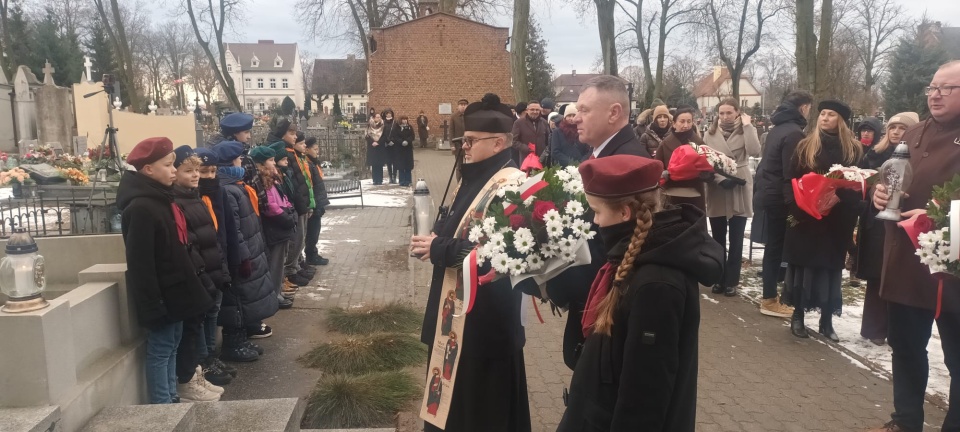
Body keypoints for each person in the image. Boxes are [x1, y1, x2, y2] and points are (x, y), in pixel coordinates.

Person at [558, 154, 723, 431]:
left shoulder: (655, 283)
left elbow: (646, 394)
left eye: (597, 211)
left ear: (624, 213)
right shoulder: (634, 254)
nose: (595, 221)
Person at [409, 93, 532, 432]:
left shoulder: (512, 184)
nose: (464, 146)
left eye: (471, 140)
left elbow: (497, 254)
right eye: (464, 139)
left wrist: (440, 249)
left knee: (482, 409)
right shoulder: (475, 174)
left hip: (486, 322)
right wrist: (433, 238)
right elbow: (459, 226)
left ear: (498, 143)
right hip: (459, 314)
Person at [869, 61, 960, 432]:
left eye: (947, 88)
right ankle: (905, 421)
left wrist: (941, 214)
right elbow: (893, 175)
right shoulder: (914, 133)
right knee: (906, 347)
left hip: (951, 269)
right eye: (932, 87)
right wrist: (879, 192)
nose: (935, 94)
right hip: (907, 260)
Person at [118, 137, 213, 404]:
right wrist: (153, 304)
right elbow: (141, 262)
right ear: (148, 169)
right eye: (168, 165)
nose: (174, 170)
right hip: (163, 295)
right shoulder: (141, 207)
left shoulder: (160, 198)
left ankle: (172, 397)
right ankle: (163, 407)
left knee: (172, 346)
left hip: (176, 291)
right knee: (161, 350)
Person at [780, 99, 863, 342]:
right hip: (806, 215)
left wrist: (844, 195)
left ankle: (826, 320)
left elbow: (860, 181)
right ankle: (798, 316)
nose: (825, 118)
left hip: (837, 217)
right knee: (803, 266)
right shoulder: (805, 146)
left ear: (842, 121)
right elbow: (789, 179)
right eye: (822, 114)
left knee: (830, 268)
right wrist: (795, 206)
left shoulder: (854, 150)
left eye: (831, 115)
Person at [855, 112, 919, 346]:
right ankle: (873, 328)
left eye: (902, 128)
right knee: (876, 276)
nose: (896, 132)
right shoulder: (874, 155)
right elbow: (861, 186)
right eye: (892, 127)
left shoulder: (915, 158)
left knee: (896, 275)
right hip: (875, 223)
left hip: (903, 222)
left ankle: (893, 329)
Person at [170, 146, 226, 401]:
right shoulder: (178, 201)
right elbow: (190, 242)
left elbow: (210, 236)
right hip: (198, 274)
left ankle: (196, 373)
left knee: (199, 327)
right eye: (189, 171)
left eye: (197, 171)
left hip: (209, 272)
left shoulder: (194, 196)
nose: (196, 176)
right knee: (190, 333)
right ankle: (187, 382)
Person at [752, 90, 814, 318]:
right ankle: (769, 299)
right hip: (781, 199)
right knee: (776, 248)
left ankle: (771, 295)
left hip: (769, 194)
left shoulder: (778, 129)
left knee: (774, 247)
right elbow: (791, 172)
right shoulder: (794, 133)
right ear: (803, 108)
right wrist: (793, 205)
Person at [213, 141, 278, 355]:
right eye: (239, 159)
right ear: (230, 162)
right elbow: (234, 229)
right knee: (238, 300)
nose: (242, 162)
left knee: (247, 298)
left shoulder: (237, 186)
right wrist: (243, 256)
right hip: (242, 255)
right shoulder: (228, 190)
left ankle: (242, 337)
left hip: (251, 249)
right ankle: (233, 343)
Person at [702, 99, 762, 297]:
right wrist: (719, 179)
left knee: (736, 237)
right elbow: (706, 162)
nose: (725, 117)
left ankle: (732, 280)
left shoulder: (745, 130)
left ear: (738, 113)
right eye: (722, 113)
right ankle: (719, 277)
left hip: (740, 183)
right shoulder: (709, 134)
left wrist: (748, 125)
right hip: (718, 185)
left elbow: (754, 151)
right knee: (718, 237)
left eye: (729, 112)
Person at [193, 148, 243, 380]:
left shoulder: (219, 192)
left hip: (219, 262)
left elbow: (227, 229)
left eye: (213, 171)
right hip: (204, 267)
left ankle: (212, 356)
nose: (209, 177)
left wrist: (233, 260)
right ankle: (205, 360)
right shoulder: (192, 197)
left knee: (214, 313)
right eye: (204, 172)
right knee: (205, 315)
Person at [250, 146, 296, 310]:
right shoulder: (263, 179)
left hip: (282, 223)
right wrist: (286, 217)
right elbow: (270, 206)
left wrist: (290, 210)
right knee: (275, 265)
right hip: (275, 226)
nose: (273, 163)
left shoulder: (273, 176)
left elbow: (282, 198)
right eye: (270, 160)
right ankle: (273, 295)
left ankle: (277, 292)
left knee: (280, 262)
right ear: (261, 163)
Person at [573, 75, 651, 158]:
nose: (575, 119)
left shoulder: (628, 164)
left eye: (584, 110)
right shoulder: (608, 154)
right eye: (578, 110)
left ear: (614, 113)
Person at [655, 107, 707, 211]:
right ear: (674, 123)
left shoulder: (699, 143)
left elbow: (707, 166)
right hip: (670, 193)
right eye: (682, 121)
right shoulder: (665, 143)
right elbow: (657, 167)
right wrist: (665, 174)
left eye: (689, 121)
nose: (686, 125)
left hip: (694, 193)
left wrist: (706, 174)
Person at [282, 132, 317, 288]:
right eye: (302, 143)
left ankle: (296, 265)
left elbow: (306, 182)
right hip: (297, 203)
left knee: (302, 237)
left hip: (304, 201)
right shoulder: (291, 157)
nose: (303, 145)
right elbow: (297, 183)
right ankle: (291, 270)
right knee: (296, 240)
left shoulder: (300, 158)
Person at [304, 138, 332, 266]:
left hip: (317, 201)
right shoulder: (308, 164)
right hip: (313, 202)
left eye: (317, 149)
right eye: (315, 149)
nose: (317, 152)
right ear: (307, 149)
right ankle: (311, 255)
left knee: (315, 230)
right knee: (312, 231)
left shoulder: (313, 162)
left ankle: (313, 253)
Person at [511, 100, 550, 165]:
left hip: (541, 159)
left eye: (537, 110)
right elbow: (513, 141)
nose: (535, 112)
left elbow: (548, 140)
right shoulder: (519, 123)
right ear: (527, 110)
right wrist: (526, 148)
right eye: (532, 109)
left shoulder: (544, 122)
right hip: (526, 160)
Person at [367, 113, 387, 185]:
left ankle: (380, 179)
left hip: (380, 147)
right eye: (377, 117)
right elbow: (367, 136)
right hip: (372, 147)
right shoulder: (369, 125)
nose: (378, 118)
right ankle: (375, 179)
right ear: (374, 118)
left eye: (379, 117)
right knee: (374, 165)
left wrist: (378, 142)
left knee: (380, 164)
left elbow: (384, 136)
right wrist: (372, 142)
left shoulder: (383, 126)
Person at [451, 99, 469, 181]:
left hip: (468, 144)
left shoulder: (469, 116)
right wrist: (452, 144)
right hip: (457, 145)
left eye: (465, 104)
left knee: (469, 164)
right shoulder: (454, 117)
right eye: (461, 104)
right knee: (459, 166)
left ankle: (467, 181)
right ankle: (459, 183)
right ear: (458, 106)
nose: (463, 106)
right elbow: (451, 131)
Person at [396, 116, 416, 186]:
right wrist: (401, 142)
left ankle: (408, 180)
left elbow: (412, 136)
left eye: (406, 119)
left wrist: (407, 141)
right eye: (403, 119)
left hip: (408, 149)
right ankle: (401, 181)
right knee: (401, 166)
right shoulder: (398, 127)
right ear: (401, 120)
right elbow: (396, 137)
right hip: (400, 149)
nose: (405, 121)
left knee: (408, 166)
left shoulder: (410, 127)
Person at [382, 109, 400, 184]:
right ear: (385, 115)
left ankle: (394, 176)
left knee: (395, 161)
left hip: (394, 144)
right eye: (387, 113)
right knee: (389, 162)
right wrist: (387, 141)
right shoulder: (383, 123)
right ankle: (390, 176)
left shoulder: (395, 123)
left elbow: (397, 133)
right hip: (387, 145)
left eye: (390, 113)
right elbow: (382, 134)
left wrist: (393, 140)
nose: (389, 115)